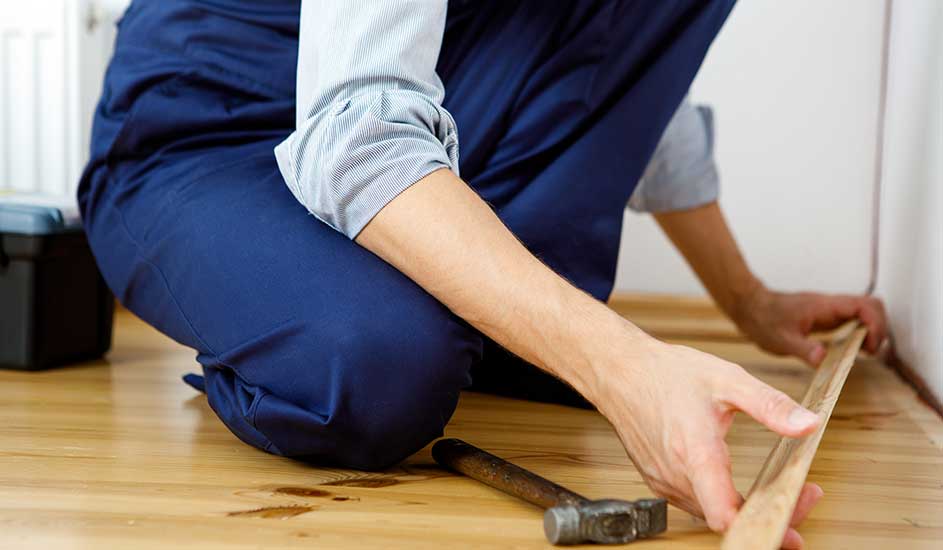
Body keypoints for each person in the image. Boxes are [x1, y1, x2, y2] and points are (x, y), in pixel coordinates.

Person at [78, 1, 886, 548]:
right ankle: (276, 328)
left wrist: (746, 298)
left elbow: (624, 62)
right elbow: (352, 139)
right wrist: (623, 366)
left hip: (398, 112)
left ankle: (475, 314)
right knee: (373, 367)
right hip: (210, 127)